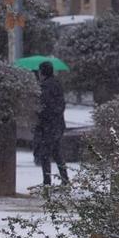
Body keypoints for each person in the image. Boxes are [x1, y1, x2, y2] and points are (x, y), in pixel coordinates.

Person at [33, 60, 70, 189]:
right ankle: (65, 179)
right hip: (58, 125)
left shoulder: (45, 87)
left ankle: (47, 182)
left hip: (48, 126)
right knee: (57, 153)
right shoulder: (57, 84)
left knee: (45, 154)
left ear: (42, 72)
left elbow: (44, 107)